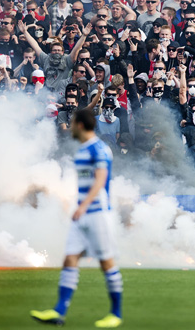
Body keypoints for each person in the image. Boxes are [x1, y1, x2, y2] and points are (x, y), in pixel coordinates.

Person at [30, 109, 122, 328]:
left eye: (72, 123)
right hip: (82, 214)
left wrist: (84, 205)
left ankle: (115, 314)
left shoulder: (100, 149)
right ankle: (58, 312)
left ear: (80, 125)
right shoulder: (82, 150)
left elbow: (100, 180)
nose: (69, 126)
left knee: (106, 262)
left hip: (98, 213)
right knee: (70, 258)